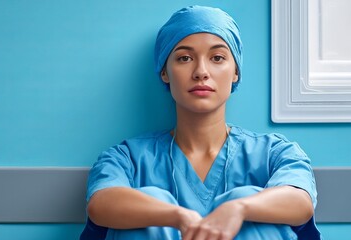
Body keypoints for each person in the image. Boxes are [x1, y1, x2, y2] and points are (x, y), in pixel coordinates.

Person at [80, 5, 322, 240]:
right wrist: (177, 216)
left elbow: (300, 202)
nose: (201, 72)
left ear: (235, 71)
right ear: (165, 72)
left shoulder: (276, 153)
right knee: (150, 205)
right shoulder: (126, 158)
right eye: (185, 58)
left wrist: (239, 208)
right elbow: (101, 203)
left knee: (251, 204)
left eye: (217, 58)